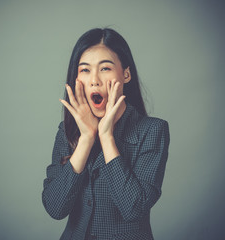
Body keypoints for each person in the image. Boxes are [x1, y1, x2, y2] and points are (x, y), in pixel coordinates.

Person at [42, 28, 170, 240]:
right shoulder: (66, 132)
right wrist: (86, 138)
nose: (94, 80)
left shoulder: (152, 131)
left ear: (125, 74)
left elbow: (133, 208)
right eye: (84, 70)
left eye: (105, 68)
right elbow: (55, 208)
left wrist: (107, 137)